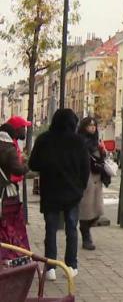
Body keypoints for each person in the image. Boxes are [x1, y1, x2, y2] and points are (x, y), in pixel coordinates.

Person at [29, 109, 89, 281]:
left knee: (51, 229)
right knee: (71, 229)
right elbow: (85, 168)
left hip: (50, 191)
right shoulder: (78, 141)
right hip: (72, 192)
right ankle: (71, 266)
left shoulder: (44, 140)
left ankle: (50, 268)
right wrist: (80, 187)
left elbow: (33, 163)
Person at [77, 117, 108, 251]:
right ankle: (86, 236)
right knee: (86, 210)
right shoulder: (80, 141)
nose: (92, 128)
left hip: (97, 177)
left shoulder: (96, 141)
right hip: (86, 178)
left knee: (96, 211)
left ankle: (86, 231)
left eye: (94, 125)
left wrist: (103, 152)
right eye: (90, 125)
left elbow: (101, 158)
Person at [0, 131, 30, 264]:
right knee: (9, 226)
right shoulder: (8, 149)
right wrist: (25, 166)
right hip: (5, 195)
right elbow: (17, 170)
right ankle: (10, 257)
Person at [2, 116, 32, 184]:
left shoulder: (12, 142)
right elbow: (17, 170)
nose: (25, 130)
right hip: (8, 184)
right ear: (16, 129)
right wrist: (29, 165)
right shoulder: (10, 145)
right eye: (23, 127)